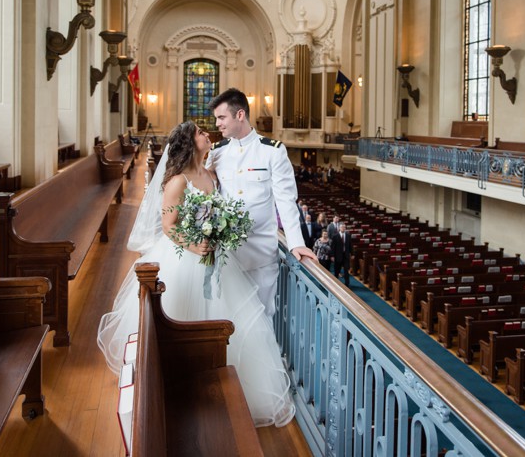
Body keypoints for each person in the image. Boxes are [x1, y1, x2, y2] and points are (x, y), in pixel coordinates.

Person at [97, 121, 295, 428]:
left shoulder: (211, 175)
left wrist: (221, 233)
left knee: (226, 322)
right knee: (186, 316)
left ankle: (221, 383)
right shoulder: (178, 181)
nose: (208, 136)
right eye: (202, 133)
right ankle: (185, 387)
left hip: (218, 259)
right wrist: (194, 245)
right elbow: (167, 225)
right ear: (190, 142)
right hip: (187, 259)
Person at [208, 88, 316, 317]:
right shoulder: (216, 153)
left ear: (240, 115)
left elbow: (286, 200)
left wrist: (296, 242)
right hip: (228, 255)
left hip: (261, 255)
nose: (217, 124)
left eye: (221, 117)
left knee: (262, 317)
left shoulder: (272, 151)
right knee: (228, 320)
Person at [331, 221, 354, 286]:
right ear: (339, 228)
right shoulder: (335, 236)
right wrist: (332, 256)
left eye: (344, 227)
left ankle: (347, 283)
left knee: (346, 270)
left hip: (346, 255)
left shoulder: (348, 235)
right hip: (337, 256)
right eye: (342, 227)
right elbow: (333, 247)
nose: (343, 228)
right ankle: (335, 282)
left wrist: (352, 254)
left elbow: (350, 245)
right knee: (337, 270)